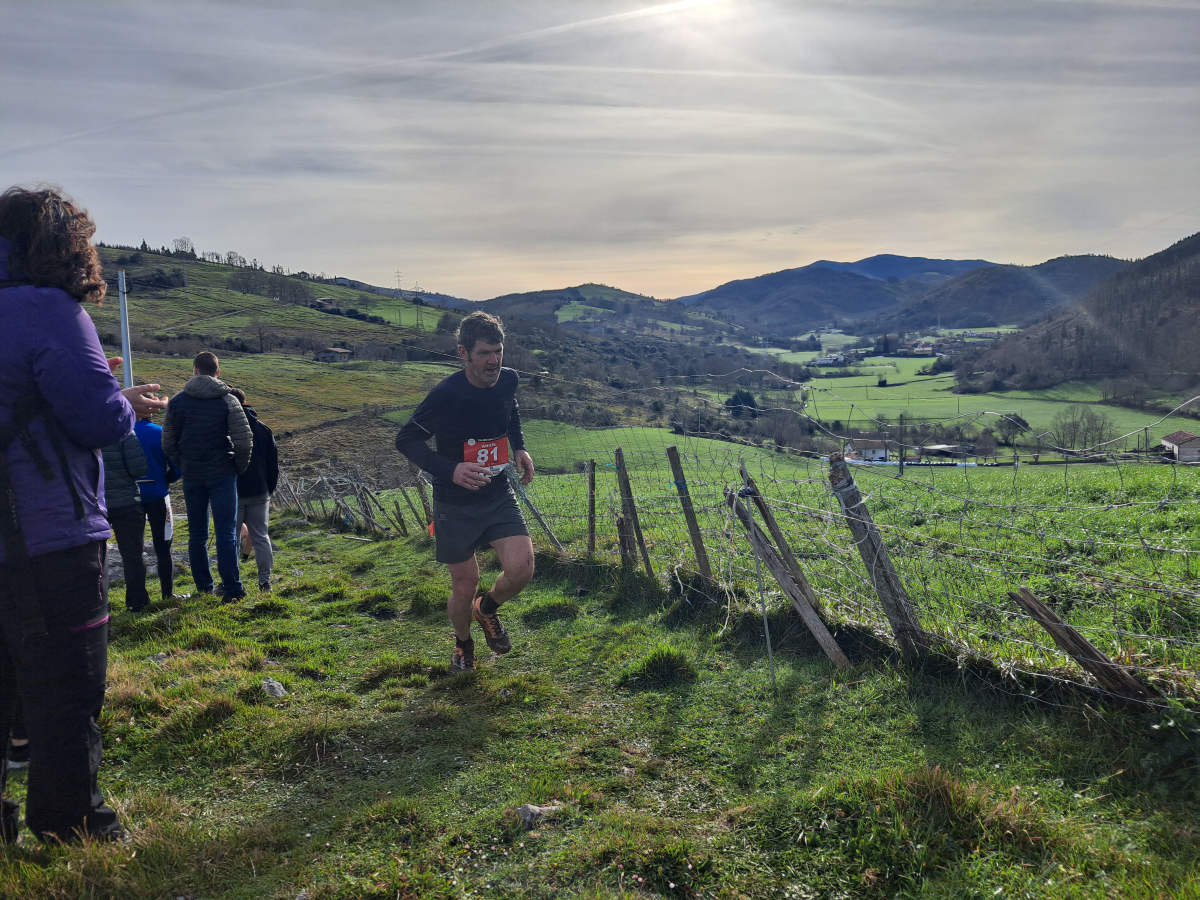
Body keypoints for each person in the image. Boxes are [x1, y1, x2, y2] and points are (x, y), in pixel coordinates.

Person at [0, 184, 165, 843]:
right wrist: (124, 401)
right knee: (68, 683)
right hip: (47, 531)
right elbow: (97, 421)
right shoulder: (48, 309)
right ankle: (71, 821)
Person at [395, 311, 535, 672]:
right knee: (465, 582)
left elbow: (511, 410)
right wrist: (452, 469)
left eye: (498, 351)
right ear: (464, 353)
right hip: (454, 503)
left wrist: (519, 447)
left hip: (497, 493)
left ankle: (486, 609)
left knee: (522, 568)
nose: (494, 360)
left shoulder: (508, 380)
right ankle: (463, 644)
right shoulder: (446, 395)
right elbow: (406, 439)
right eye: (485, 353)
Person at [161, 352, 252, 602]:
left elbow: (168, 442)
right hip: (223, 472)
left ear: (195, 371)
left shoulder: (178, 402)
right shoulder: (228, 400)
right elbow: (244, 440)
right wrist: (237, 467)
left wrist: (183, 464)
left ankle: (204, 587)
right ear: (218, 372)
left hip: (193, 474)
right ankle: (232, 588)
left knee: (197, 534)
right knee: (226, 532)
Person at [228, 387, 278, 592]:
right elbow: (273, 464)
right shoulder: (263, 429)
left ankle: (231, 582)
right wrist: (269, 489)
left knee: (230, 537)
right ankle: (265, 581)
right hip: (259, 491)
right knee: (261, 536)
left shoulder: (226, 429)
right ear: (245, 402)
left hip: (234, 491)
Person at [133, 405, 179, 603]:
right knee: (163, 546)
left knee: (133, 550)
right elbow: (177, 466)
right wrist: (166, 479)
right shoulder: (160, 433)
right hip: (158, 494)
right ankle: (167, 594)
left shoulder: (122, 433)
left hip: (130, 497)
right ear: (151, 411)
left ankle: (137, 599)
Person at [101, 430, 150, 611]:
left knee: (96, 558)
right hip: (127, 502)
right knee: (133, 555)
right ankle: (137, 602)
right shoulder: (124, 432)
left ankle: (98, 607)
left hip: (96, 504)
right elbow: (139, 469)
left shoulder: (82, 431)